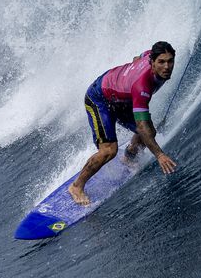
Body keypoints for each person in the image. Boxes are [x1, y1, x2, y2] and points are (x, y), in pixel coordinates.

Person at [68, 41, 178, 206]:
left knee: (150, 133)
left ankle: (129, 156)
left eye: (170, 61)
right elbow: (141, 126)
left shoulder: (150, 54)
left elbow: (137, 58)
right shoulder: (142, 86)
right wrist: (160, 155)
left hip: (121, 99)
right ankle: (77, 186)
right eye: (161, 62)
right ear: (152, 62)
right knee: (109, 150)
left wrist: (125, 80)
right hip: (99, 98)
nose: (167, 66)